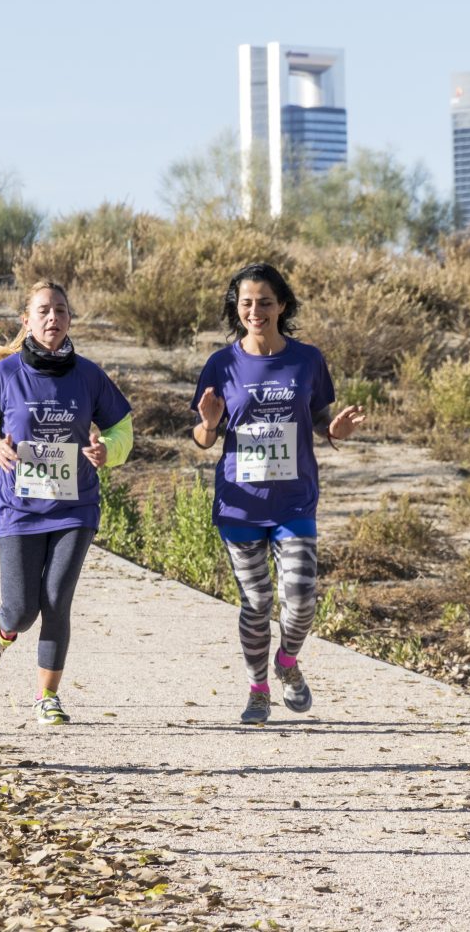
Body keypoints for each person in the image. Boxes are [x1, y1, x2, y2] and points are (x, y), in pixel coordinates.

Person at [191, 263, 365, 724]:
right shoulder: (221, 364)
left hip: (294, 500)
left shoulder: (306, 360)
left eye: (265, 302)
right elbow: (203, 439)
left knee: (302, 598)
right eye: (246, 302)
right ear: (236, 308)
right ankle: (257, 690)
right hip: (241, 502)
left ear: (281, 305)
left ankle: (287, 663)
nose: (255, 311)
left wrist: (335, 430)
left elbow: (319, 420)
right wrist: (209, 424)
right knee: (257, 602)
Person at [0, 281, 132, 725]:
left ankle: (47, 697)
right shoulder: (6, 374)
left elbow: (122, 429)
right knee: (22, 609)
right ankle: (1, 631)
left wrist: (107, 450)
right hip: (18, 510)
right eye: (43, 311)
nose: (52, 317)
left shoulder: (89, 376)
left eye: (60, 309)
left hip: (75, 509)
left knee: (56, 601)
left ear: (70, 318)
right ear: (27, 321)